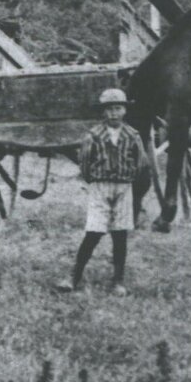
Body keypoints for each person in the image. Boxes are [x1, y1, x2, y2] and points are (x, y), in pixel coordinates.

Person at [58, 87, 149, 296]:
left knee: (120, 234)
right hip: (100, 187)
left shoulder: (132, 135)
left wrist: (128, 179)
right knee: (94, 232)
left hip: (124, 187)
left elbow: (141, 161)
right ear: (103, 112)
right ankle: (73, 276)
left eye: (118, 109)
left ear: (124, 111)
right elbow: (85, 162)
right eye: (109, 110)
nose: (113, 114)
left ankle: (118, 280)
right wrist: (94, 181)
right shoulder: (93, 135)